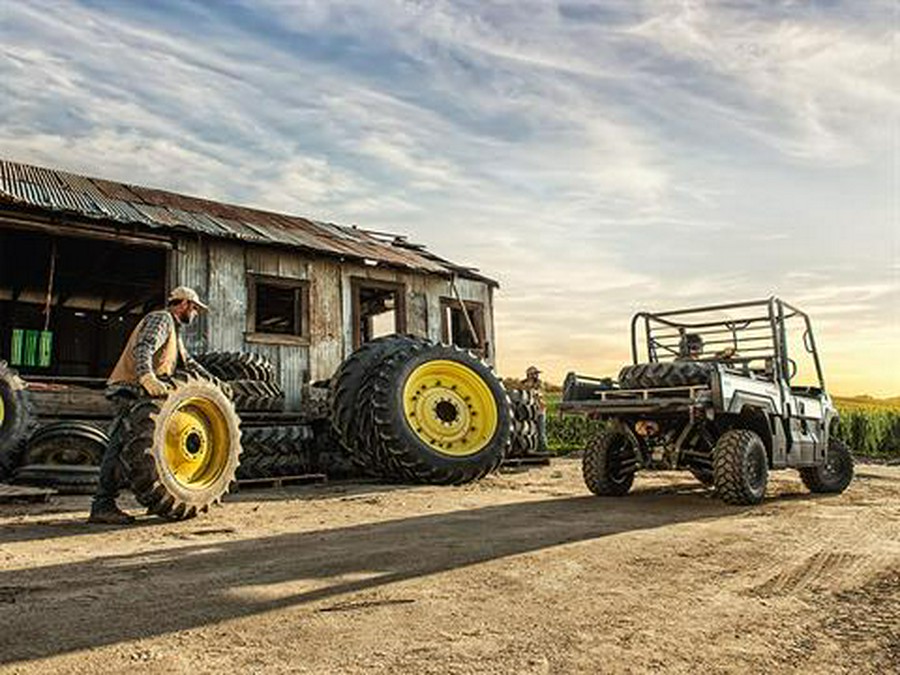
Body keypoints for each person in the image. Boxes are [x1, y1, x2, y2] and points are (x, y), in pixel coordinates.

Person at [88, 286, 210, 524]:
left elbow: (189, 364)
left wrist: (216, 384)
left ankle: (152, 498)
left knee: (136, 450)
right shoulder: (161, 319)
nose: (195, 314)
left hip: (142, 395)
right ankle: (102, 505)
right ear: (184, 304)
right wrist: (147, 376)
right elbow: (144, 346)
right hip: (131, 389)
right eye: (194, 308)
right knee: (119, 446)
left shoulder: (175, 332)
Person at [521, 365, 548, 453]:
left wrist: (534, 392)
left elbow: (540, 393)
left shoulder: (539, 383)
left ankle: (543, 450)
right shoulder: (523, 384)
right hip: (528, 412)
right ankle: (531, 448)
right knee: (530, 431)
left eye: (536, 374)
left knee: (541, 432)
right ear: (529, 375)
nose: (536, 375)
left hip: (539, 410)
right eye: (534, 374)